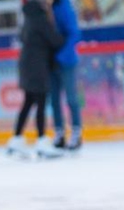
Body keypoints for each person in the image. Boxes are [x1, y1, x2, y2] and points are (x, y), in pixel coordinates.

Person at [6, 0, 65, 159]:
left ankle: (16, 138)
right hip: (37, 66)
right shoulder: (40, 19)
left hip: (27, 66)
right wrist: (65, 37)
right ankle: (41, 140)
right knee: (40, 102)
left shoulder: (27, 19)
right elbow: (55, 41)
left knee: (28, 102)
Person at [49, 0, 83, 150]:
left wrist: (61, 57)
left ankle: (76, 132)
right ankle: (59, 132)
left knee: (71, 98)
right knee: (54, 99)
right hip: (51, 62)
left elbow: (74, 34)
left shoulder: (65, 6)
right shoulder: (48, 8)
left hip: (66, 61)